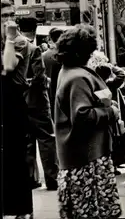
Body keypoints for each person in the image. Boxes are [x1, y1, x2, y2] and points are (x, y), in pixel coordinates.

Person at [54, 24, 122, 218]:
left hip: (83, 158)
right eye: (90, 51)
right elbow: (82, 116)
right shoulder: (78, 78)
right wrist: (111, 112)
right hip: (87, 161)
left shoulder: (69, 71)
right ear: (82, 52)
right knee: (92, 212)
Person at [19, 18, 59, 191]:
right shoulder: (33, 49)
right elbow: (39, 77)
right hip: (38, 102)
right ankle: (52, 178)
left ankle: (31, 179)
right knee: (46, 140)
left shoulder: (12, 47)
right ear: (35, 30)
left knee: (27, 143)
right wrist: (46, 81)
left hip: (21, 102)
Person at [2, 20, 34, 218]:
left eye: (11, 14)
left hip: (14, 103)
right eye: (4, 15)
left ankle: (22, 210)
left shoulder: (19, 41)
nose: (9, 19)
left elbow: (8, 65)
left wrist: (9, 39)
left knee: (17, 157)